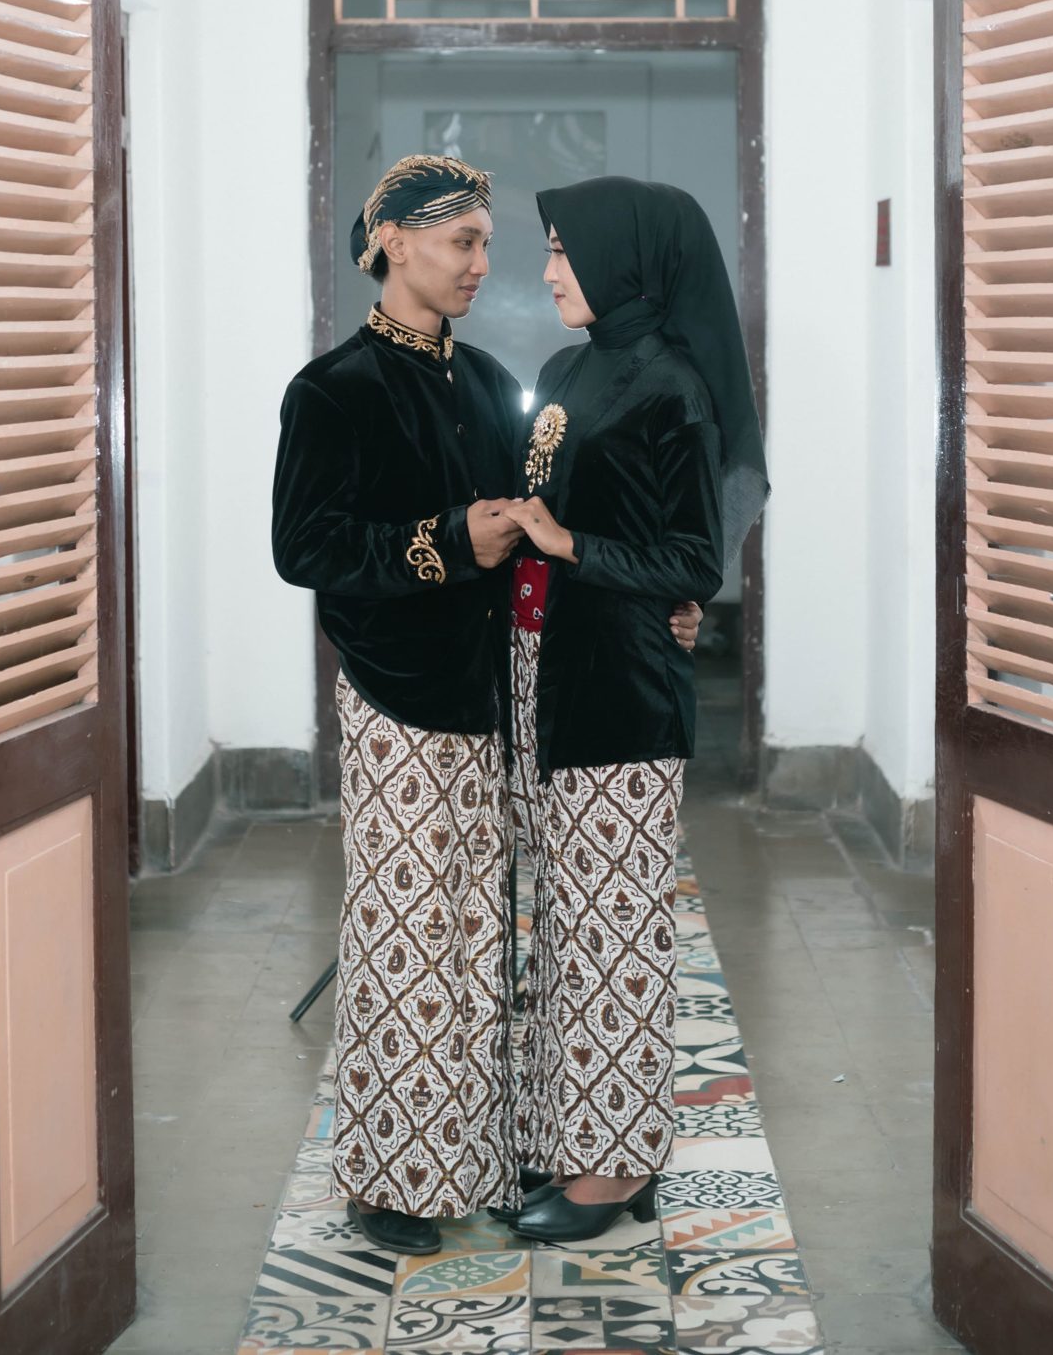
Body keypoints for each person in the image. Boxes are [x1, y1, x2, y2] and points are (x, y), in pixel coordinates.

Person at [271, 155, 705, 1254]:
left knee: (480, 939)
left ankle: (471, 1151)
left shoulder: (487, 382)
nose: (481, 264)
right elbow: (305, 548)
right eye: (462, 241)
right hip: (400, 696)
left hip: (503, 696)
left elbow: (560, 514)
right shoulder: (331, 390)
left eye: (486, 244)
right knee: (404, 934)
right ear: (393, 240)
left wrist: (662, 593)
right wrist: (442, 543)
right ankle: (389, 1179)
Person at [498, 176, 769, 1245]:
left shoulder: (671, 389)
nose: (548, 271)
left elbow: (692, 560)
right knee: (567, 924)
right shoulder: (567, 370)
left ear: (623, 261)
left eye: (565, 251)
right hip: (546, 669)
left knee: (615, 933)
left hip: (621, 689)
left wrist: (567, 544)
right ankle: (581, 1138)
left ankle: (611, 1172)